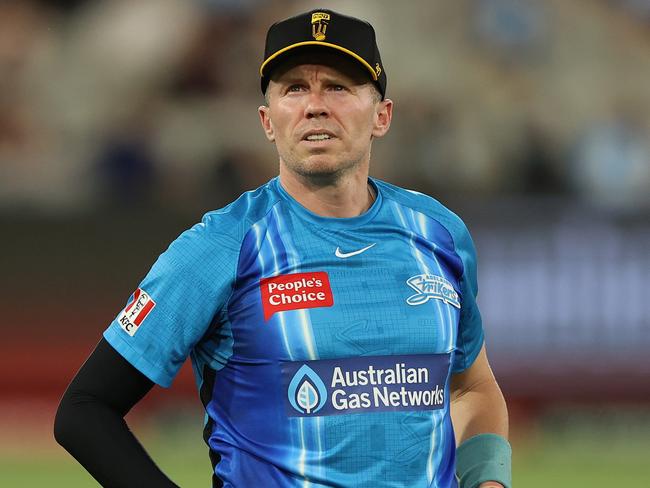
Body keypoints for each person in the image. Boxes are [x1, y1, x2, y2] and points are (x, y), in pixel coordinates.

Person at [55, 9, 510, 488]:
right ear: (267, 120)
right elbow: (84, 411)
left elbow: (472, 387)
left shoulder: (439, 233)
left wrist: (489, 481)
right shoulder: (221, 247)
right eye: (294, 88)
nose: (315, 105)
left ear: (382, 115)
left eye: (338, 86)